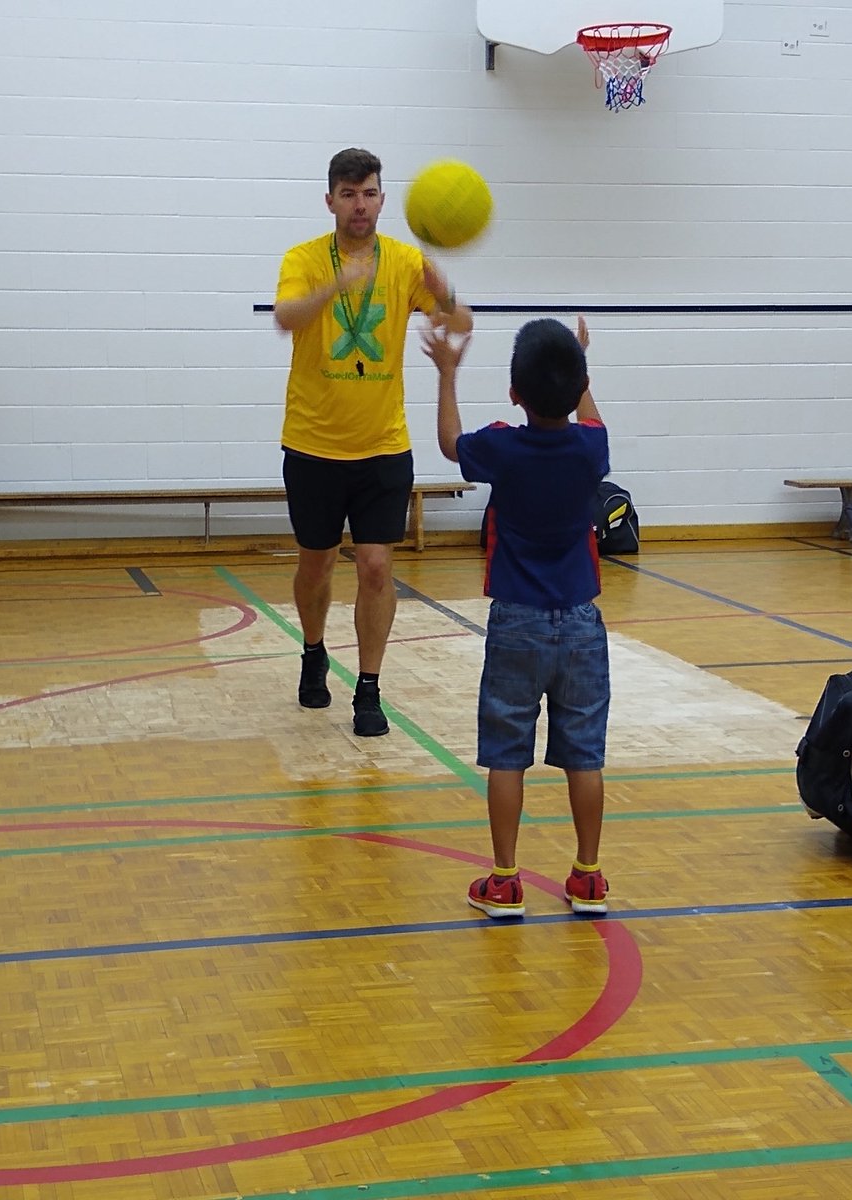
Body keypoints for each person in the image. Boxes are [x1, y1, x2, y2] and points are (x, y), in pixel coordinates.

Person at [274, 148, 473, 737]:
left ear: (382, 200)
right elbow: (286, 316)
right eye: (348, 194)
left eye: (368, 194)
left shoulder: (405, 261)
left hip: (384, 445)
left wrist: (446, 293)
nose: (359, 205)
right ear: (330, 201)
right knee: (315, 564)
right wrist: (336, 285)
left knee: (377, 566)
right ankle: (314, 650)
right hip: (312, 444)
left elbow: (460, 323)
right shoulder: (305, 259)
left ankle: (368, 687)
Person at [421, 316, 611, 918]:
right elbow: (591, 418)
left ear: (513, 394)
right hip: (581, 623)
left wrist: (447, 373)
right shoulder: (591, 448)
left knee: (507, 753)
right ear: (578, 385)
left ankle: (504, 881)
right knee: (585, 754)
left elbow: (451, 444)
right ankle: (588, 876)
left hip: (516, 623)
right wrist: (580, 366)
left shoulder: (502, 446)